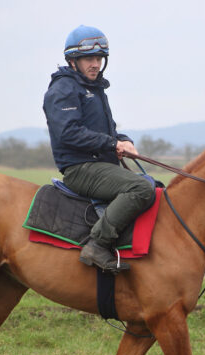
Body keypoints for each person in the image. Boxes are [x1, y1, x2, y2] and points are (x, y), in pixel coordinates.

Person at [43, 25, 155, 273]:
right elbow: (68, 133)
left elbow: (107, 133)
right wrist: (112, 144)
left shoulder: (95, 89)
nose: (95, 64)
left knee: (155, 185)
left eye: (99, 58)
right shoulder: (63, 89)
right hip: (80, 169)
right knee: (140, 188)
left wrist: (123, 141)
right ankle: (97, 245)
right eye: (89, 59)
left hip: (101, 165)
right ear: (73, 61)